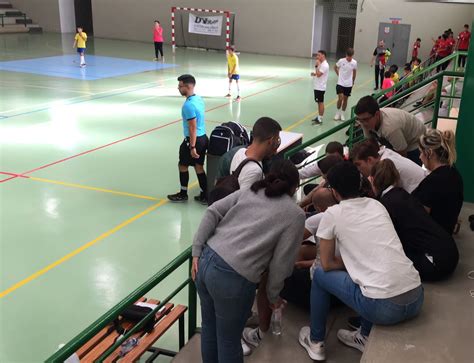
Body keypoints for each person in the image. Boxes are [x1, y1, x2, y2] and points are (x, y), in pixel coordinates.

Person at [299, 162, 423, 361]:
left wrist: (350, 262)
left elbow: (327, 263)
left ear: (334, 191)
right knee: (365, 271)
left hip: (384, 308)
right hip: (416, 296)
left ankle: (316, 342)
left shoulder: (333, 213)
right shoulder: (377, 204)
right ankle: (363, 335)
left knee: (321, 274)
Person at [192, 160, 305, 363]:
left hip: (206, 262)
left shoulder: (250, 191)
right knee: (229, 341)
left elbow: (212, 211)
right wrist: (273, 297)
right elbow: (281, 264)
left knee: (209, 328)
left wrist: (196, 251)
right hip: (233, 278)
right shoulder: (295, 214)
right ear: (295, 187)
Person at [370, 159, 459, 281]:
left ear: (373, 180)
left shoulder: (385, 205)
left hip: (437, 264)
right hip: (450, 252)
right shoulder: (403, 194)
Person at [412, 129, 463, 235]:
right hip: (445, 235)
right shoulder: (454, 173)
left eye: (421, 153)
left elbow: (418, 219)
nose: (420, 157)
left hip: (431, 240)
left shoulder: (432, 182)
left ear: (429, 153)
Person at [167, 74, 208, 204]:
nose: (178, 88)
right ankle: (204, 194)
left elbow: (192, 127)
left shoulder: (188, 106)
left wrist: (192, 146)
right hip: (203, 138)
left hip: (193, 140)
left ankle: (183, 193)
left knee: (183, 165)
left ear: (188, 86)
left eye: (180, 86)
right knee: (199, 167)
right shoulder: (199, 99)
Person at [355, 95, 426, 165]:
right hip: (400, 139)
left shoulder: (390, 128)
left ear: (376, 114)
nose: (363, 124)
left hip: (416, 142)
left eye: (365, 120)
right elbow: (370, 142)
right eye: (359, 120)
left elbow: (402, 154)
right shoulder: (365, 121)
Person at [351, 139, 425, 193]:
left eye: (358, 164)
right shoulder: (385, 154)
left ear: (369, 160)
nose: (358, 169)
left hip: (423, 194)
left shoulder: (386, 167)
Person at [229, 117, 281, 190]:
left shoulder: (240, 152)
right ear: (271, 141)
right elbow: (244, 199)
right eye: (277, 139)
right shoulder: (254, 171)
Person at [334, 48, 357, 121]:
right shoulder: (341, 61)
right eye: (348, 56)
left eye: (350, 56)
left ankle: (342, 113)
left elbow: (354, 73)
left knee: (345, 99)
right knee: (340, 98)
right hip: (340, 83)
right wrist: (338, 74)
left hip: (348, 84)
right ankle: (337, 113)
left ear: (352, 56)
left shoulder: (354, 63)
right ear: (346, 55)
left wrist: (353, 81)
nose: (349, 58)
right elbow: (335, 67)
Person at [311, 50, 330, 125]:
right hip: (317, 86)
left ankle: (320, 118)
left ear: (323, 55)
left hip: (320, 87)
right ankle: (319, 117)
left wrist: (316, 66)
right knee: (318, 102)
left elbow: (319, 74)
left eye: (318, 55)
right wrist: (314, 74)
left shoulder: (325, 65)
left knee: (320, 102)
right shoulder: (321, 64)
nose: (317, 57)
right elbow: (318, 74)